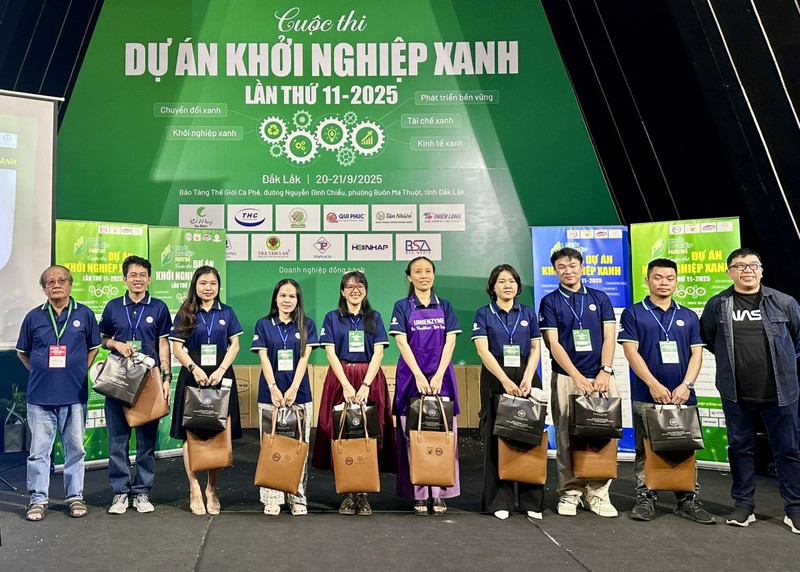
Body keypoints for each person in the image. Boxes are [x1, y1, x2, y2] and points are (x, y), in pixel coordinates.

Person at [700, 248, 800, 534]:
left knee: (788, 450)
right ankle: (744, 506)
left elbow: (798, 340)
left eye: (753, 265)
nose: (747, 270)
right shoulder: (718, 304)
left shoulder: (784, 302)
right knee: (741, 449)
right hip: (736, 393)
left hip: (781, 393)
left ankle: (794, 509)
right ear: (728, 271)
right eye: (739, 266)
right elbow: (709, 338)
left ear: (761, 270)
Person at [619, 258, 714, 524]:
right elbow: (630, 351)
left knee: (684, 449)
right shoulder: (634, 313)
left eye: (669, 277)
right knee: (645, 450)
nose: (664, 282)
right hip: (647, 395)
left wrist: (687, 385)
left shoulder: (688, 315)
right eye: (658, 277)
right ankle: (646, 497)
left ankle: (687, 500)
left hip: (684, 397)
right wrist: (652, 384)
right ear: (647, 280)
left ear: (676, 281)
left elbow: (697, 354)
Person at [539, 247, 619, 517]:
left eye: (572, 265)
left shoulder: (600, 297)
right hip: (566, 378)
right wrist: (576, 377)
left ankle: (598, 493)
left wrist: (605, 371)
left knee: (603, 435)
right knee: (566, 436)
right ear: (555, 270)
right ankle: (570, 492)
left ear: (582, 267)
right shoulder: (549, 301)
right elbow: (553, 343)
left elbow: (609, 337)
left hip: (601, 378)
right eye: (561, 266)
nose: (568, 270)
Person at [16, 265, 101, 521]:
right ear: (44, 288)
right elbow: (23, 352)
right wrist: (40, 370)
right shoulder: (33, 317)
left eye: (61, 280)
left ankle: (75, 497)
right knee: (38, 452)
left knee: (75, 450)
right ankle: (38, 500)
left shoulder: (84, 314)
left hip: (74, 395)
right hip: (40, 396)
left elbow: (94, 348)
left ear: (70, 284)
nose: (56, 284)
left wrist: (76, 371)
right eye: (50, 281)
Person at [313, 271, 397, 516]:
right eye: (349, 286)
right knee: (343, 437)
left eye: (360, 285)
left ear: (366, 290)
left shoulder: (375, 317)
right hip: (340, 381)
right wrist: (347, 386)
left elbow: (379, 353)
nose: (355, 290)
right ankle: (348, 494)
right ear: (342, 291)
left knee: (367, 437)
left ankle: (364, 494)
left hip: (369, 381)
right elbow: (330, 353)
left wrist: (366, 385)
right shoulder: (331, 318)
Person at [98, 255, 172, 515]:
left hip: (148, 382)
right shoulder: (113, 307)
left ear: (149, 279)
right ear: (124, 279)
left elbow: (164, 343)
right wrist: (115, 344)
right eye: (133, 275)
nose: (138, 279)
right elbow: (103, 337)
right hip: (119, 380)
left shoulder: (159, 307)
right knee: (117, 440)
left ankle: (141, 492)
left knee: (146, 441)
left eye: (142, 275)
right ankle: (120, 492)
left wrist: (166, 377)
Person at [390, 256, 461, 515]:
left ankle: (440, 492)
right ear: (409, 276)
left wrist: (439, 374)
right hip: (411, 378)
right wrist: (419, 375)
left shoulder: (446, 306)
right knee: (413, 437)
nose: (423, 275)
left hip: (442, 377)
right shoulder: (402, 306)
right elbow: (401, 342)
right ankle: (419, 493)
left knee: (443, 435)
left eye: (428, 271)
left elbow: (450, 342)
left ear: (434, 275)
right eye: (417, 271)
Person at [472, 264, 544, 520]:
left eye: (512, 280)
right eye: (501, 281)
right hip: (496, 375)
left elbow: (536, 348)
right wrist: (503, 380)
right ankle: (498, 500)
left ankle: (531, 501)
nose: (507, 285)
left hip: (526, 374)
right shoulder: (484, 314)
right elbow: (483, 350)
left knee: (529, 435)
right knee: (498, 436)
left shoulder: (527, 313)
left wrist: (527, 378)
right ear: (492, 287)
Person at [169, 265, 243, 516]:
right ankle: (193, 488)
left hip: (221, 376)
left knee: (217, 433)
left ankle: (212, 489)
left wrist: (221, 370)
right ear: (195, 285)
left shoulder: (228, 312)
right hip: (193, 376)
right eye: (203, 283)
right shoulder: (186, 312)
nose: (208, 288)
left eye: (213, 283)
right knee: (191, 433)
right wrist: (194, 369)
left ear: (218, 286)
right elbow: (178, 348)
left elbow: (235, 345)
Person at [251, 279, 318, 516]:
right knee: (272, 447)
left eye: (292, 296)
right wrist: (273, 387)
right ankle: (272, 496)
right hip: (270, 395)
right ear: (275, 298)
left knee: (298, 446)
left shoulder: (307, 324)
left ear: (298, 300)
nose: (287, 300)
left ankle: (297, 496)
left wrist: (292, 389)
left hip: (299, 394)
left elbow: (304, 359)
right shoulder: (263, 324)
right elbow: (263, 357)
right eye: (283, 296)